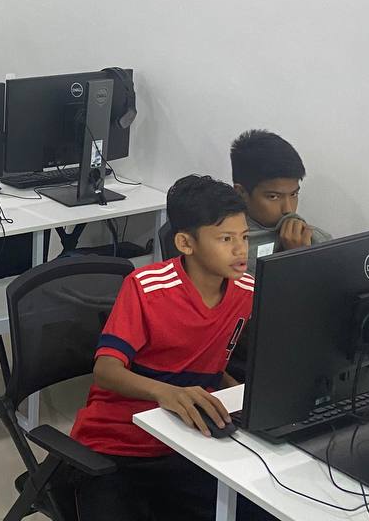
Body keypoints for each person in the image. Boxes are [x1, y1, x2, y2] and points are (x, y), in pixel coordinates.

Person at [70, 175, 263, 521]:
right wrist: (166, 392)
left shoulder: (246, 291)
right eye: (226, 239)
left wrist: (238, 392)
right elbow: (106, 370)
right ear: (186, 243)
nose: (240, 250)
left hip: (189, 443)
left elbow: (207, 356)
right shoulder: (146, 287)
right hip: (118, 444)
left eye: (244, 237)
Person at [231, 129, 330, 268]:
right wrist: (293, 260)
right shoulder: (226, 247)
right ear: (241, 193)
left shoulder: (315, 239)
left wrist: (302, 256)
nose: (288, 209)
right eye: (273, 197)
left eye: (294, 194)